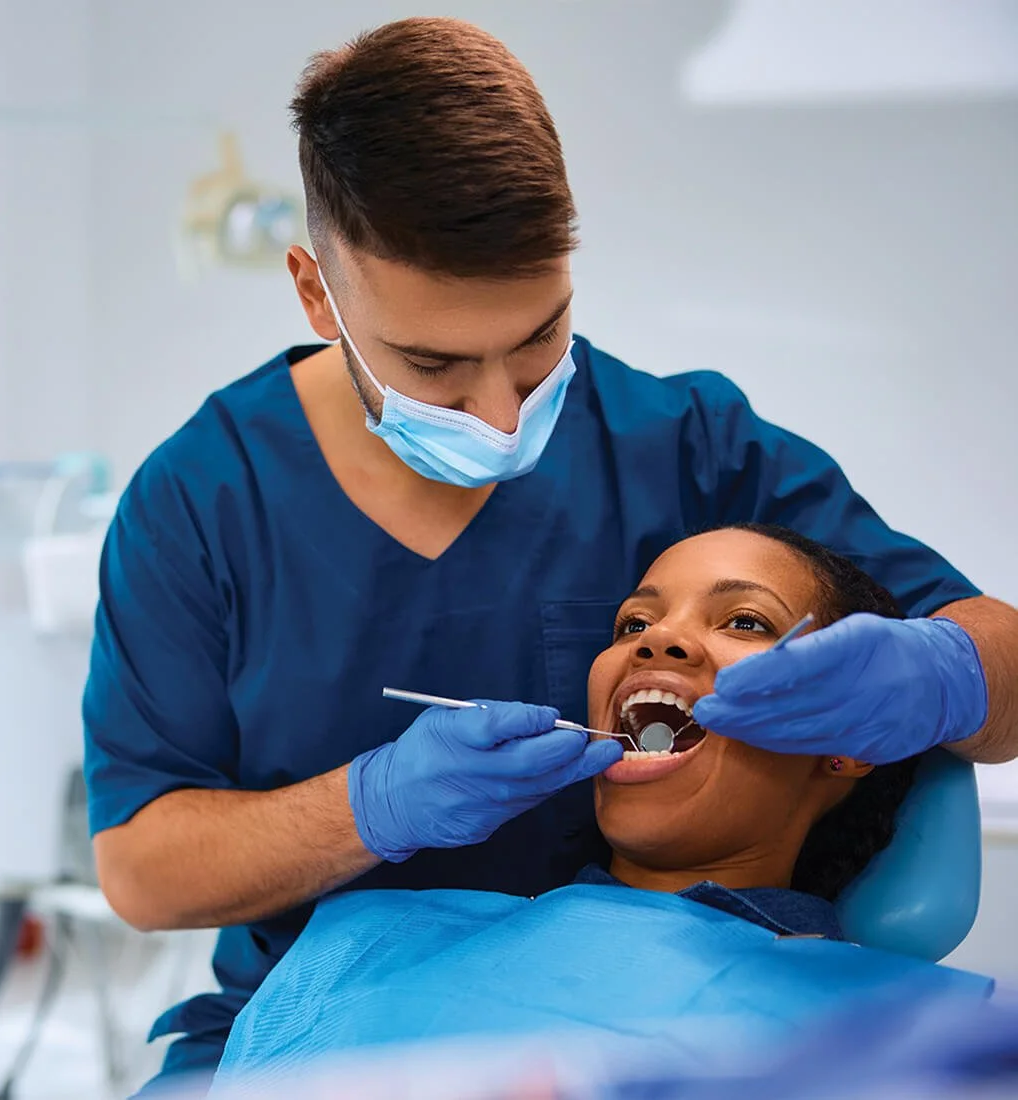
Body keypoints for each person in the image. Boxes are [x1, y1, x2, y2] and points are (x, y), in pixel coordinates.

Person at [82, 16, 1018, 1094]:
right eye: (436, 365)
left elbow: (1000, 663)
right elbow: (142, 870)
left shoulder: (686, 447)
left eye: (537, 340)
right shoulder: (203, 499)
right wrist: (371, 802)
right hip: (327, 1013)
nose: (497, 413)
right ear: (314, 293)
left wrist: (939, 674)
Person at [206, 526, 993, 1094]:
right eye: (635, 624)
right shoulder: (366, 942)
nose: (660, 643)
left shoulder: (920, 1037)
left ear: (848, 733)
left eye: (745, 621)